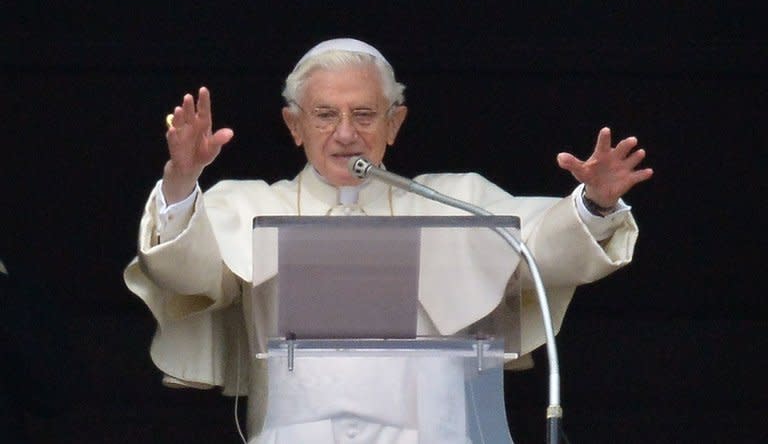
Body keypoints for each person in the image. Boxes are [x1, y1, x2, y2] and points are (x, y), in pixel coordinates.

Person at [124, 38, 653, 442]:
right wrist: (181, 182)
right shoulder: (251, 206)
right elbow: (180, 267)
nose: (346, 133)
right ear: (293, 125)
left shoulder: (454, 202)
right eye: (325, 115)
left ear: (394, 123)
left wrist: (596, 203)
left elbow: (539, 244)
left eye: (364, 114)